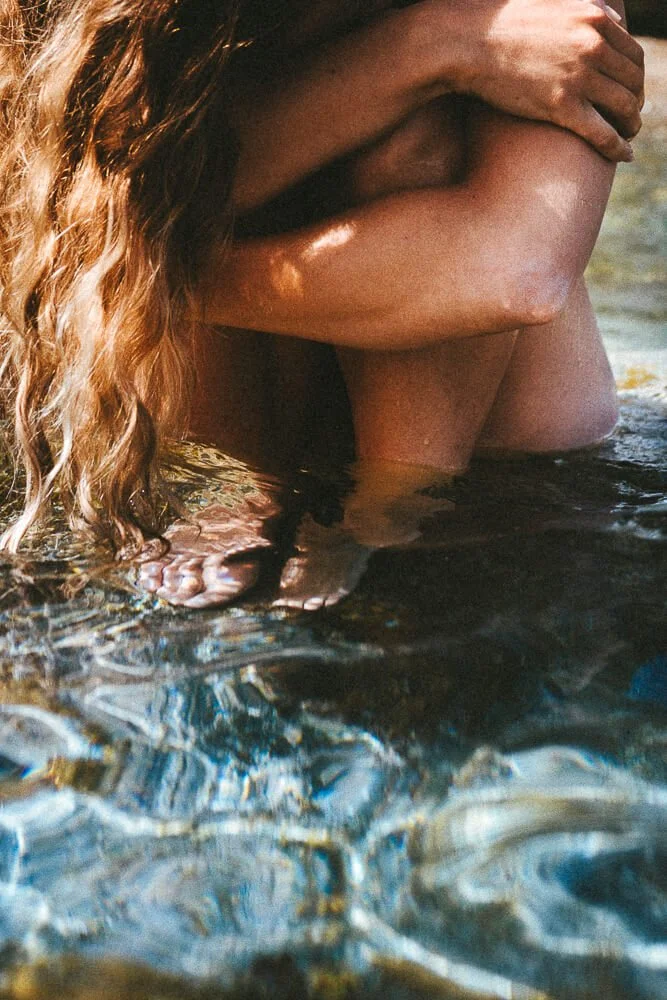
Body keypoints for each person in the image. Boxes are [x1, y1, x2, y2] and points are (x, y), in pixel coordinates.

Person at [0, 0, 644, 607]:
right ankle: (249, 484)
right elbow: (129, 192)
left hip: (503, 450)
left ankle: (386, 507)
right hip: (244, 423)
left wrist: (147, 288)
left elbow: (515, 274)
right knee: (181, 130)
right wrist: (441, 45)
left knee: (411, 144)